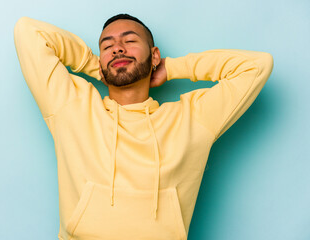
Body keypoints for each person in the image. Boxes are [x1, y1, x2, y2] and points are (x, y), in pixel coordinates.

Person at [14, 13, 273, 240]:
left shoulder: (192, 119)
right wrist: (97, 67)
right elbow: (28, 31)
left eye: (129, 41)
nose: (117, 49)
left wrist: (171, 68)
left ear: (154, 55)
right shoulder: (72, 107)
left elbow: (256, 66)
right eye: (108, 46)